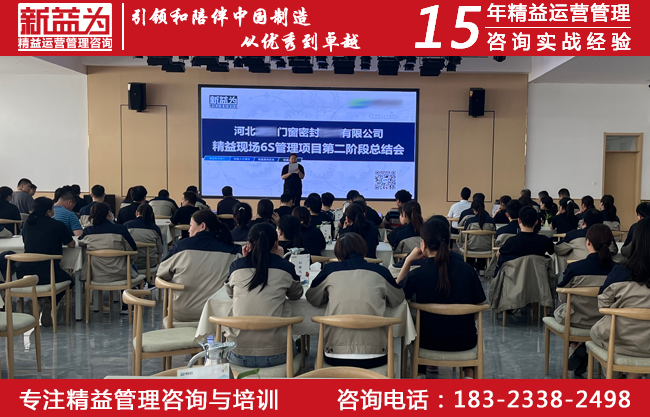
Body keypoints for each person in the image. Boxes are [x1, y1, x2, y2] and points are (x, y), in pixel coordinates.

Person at [397, 218, 486, 379]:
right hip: (464, 342)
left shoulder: (418, 274)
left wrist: (408, 260)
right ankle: (469, 375)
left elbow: (397, 296)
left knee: (419, 324)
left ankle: (420, 374)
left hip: (426, 343)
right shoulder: (467, 270)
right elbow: (479, 305)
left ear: (423, 244)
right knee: (464, 328)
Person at [306, 233, 404, 369]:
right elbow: (398, 298)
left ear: (338, 254)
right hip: (376, 354)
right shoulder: (381, 271)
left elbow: (312, 298)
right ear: (364, 251)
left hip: (335, 354)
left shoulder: (329, 270)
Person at [225, 222, 303, 368]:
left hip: (238, 353)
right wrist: (280, 260)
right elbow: (296, 294)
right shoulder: (285, 267)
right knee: (300, 347)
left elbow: (230, 293)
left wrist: (245, 259)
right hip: (277, 354)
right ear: (277, 244)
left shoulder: (236, 266)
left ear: (248, 244)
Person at [591, 218, 650, 378]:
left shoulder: (620, 272)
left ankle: (617, 382)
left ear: (635, 242)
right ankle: (633, 379)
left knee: (600, 333)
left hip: (620, 342)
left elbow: (603, 305)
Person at [554, 224, 616, 376]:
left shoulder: (575, 268)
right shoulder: (618, 270)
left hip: (577, 319)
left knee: (561, 313)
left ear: (588, 242)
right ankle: (582, 349)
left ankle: (577, 347)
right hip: (606, 322)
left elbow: (563, 296)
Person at [158, 210, 241, 322]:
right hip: (218, 314)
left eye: (191, 225)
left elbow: (161, 274)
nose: (189, 230)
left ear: (202, 226)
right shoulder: (233, 252)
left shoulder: (181, 247)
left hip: (182, 312)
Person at [17, 197, 75, 327]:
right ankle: (49, 301)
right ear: (48, 211)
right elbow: (71, 244)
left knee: (42, 281)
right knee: (70, 281)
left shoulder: (27, 224)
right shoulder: (57, 225)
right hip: (48, 272)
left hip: (25, 273)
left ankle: (38, 300)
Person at [80, 202, 139, 313]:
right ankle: (126, 305)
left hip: (96, 275)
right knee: (126, 265)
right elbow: (133, 250)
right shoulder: (120, 229)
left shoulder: (87, 232)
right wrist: (128, 261)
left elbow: (80, 246)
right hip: (121, 273)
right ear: (109, 214)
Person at [496, 206, 555, 272]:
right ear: (536, 222)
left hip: (515, 276)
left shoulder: (511, 241)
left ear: (519, 220)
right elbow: (551, 251)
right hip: (538, 276)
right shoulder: (544, 240)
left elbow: (499, 254)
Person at [125, 203, 164, 275]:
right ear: (151, 215)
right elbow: (160, 250)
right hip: (150, 264)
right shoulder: (155, 228)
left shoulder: (126, 226)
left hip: (130, 264)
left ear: (136, 213)